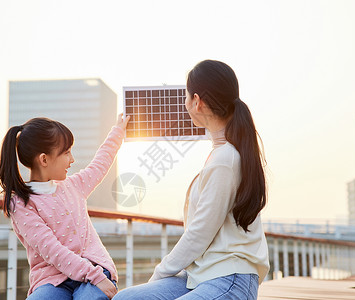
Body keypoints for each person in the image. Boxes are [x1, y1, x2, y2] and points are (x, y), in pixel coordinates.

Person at [114, 60, 269, 300]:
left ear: (197, 102)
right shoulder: (222, 154)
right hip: (202, 275)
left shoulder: (225, 159)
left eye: (187, 97)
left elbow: (198, 234)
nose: (184, 104)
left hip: (230, 278)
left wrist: (158, 273)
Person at [0, 114, 130, 299]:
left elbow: (100, 163)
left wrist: (118, 132)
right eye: (66, 153)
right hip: (52, 280)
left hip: (93, 268)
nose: (72, 159)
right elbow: (52, 250)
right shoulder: (21, 203)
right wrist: (94, 276)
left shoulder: (74, 185)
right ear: (44, 159)